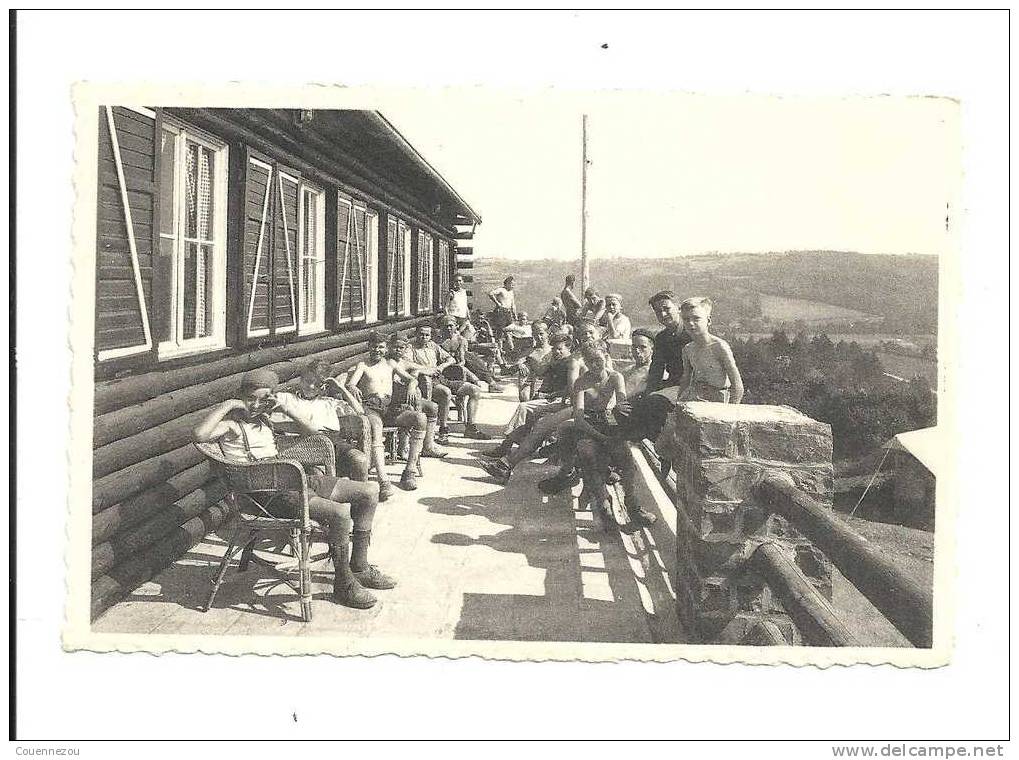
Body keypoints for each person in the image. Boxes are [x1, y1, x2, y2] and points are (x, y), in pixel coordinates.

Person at [193, 368, 395, 609]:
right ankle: (343, 583)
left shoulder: (266, 420)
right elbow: (199, 434)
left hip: (294, 482)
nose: (256, 405)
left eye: (263, 399)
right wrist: (228, 404)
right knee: (340, 513)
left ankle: (359, 567)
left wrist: (285, 408)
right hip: (266, 496)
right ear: (240, 397)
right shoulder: (231, 426)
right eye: (250, 398)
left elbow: (314, 435)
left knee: (370, 491)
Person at [535, 346, 652, 529]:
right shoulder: (581, 382)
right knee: (588, 455)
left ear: (606, 357)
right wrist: (601, 437)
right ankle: (605, 505)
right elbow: (580, 418)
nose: (596, 365)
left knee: (628, 463)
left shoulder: (615, 377)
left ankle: (633, 505)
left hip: (609, 419)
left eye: (599, 360)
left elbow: (621, 402)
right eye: (590, 362)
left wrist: (619, 410)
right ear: (585, 363)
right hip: (588, 424)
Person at [479, 320, 608, 483]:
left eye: (590, 332)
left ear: (598, 333)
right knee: (539, 422)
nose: (587, 336)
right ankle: (507, 461)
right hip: (580, 405)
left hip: (591, 407)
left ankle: (507, 462)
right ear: (578, 339)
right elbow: (574, 389)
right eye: (583, 334)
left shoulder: (598, 354)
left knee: (541, 424)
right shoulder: (577, 360)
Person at [346, 332, 437, 493]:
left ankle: (409, 472)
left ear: (386, 348)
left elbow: (412, 378)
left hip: (390, 407)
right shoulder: (363, 365)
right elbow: (351, 384)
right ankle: (383, 480)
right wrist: (353, 386)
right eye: (374, 346)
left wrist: (411, 385)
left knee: (420, 419)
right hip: (371, 406)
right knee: (376, 427)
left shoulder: (390, 364)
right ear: (368, 347)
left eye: (381, 347)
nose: (377, 350)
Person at [272, 359, 374, 491]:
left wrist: (340, 388)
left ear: (324, 386)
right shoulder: (286, 398)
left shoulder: (329, 402)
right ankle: (330, 506)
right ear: (301, 380)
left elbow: (359, 411)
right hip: (299, 445)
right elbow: (270, 417)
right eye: (308, 381)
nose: (311, 387)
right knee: (318, 477)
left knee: (360, 460)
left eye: (318, 384)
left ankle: (361, 497)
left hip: (333, 443)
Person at [619, 290, 692, 443]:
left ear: (678, 308)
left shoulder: (691, 333)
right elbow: (656, 372)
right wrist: (647, 394)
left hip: (690, 386)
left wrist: (650, 399)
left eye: (667, 309)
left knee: (653, 404)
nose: (663, 314)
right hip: (671, 386)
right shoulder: (662, 338)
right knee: (624, 407)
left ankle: (656, 445)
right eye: (658, 312)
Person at [410, 324, 492, 442]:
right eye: (421, 334)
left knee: (474, 390)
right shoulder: (410, 348)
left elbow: (451, 359)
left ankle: (471, 428)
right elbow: (408, 365)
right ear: (416, 334)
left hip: (440, 378)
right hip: (423, 381)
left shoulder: (433, 346)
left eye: (427, 335)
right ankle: (443, 429)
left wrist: (441, 366)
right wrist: (428, 370)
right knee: (446, 392)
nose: (424, 337)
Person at [677, 297, 745, 404]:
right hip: (696, 396)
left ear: (708, 321)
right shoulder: (688, 349)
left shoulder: (719, 347)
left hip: (718, 399)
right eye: (686, 319)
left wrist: (731, 411)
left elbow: (737, 385)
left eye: (696, 318)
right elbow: (686, 379)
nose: (690, 323)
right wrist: (679, 401)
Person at [438, 315, 504, 392]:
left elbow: (462, 358)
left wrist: (459, 365)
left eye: (450, 326)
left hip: (457, 361)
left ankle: (490, 382)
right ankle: (488, 382)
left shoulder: (460, 340)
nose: (448, 328)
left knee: (470, 358)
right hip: (444, 362)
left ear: (456, 326)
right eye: (446, 326)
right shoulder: (439, 340)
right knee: (470, 357)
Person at [487, 276, 517, 351]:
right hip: (500, 311)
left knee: (509, 330)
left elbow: (513, 304)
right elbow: (490, 293)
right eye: (512, 284)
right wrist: (497, 303)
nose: (513, 286)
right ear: (507, 283)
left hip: (508, 312)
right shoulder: (501, 290)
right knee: (500, 331)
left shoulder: (511, 292)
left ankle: (510, 348)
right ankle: (499, 349)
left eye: (514, 284)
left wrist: (514, 314)